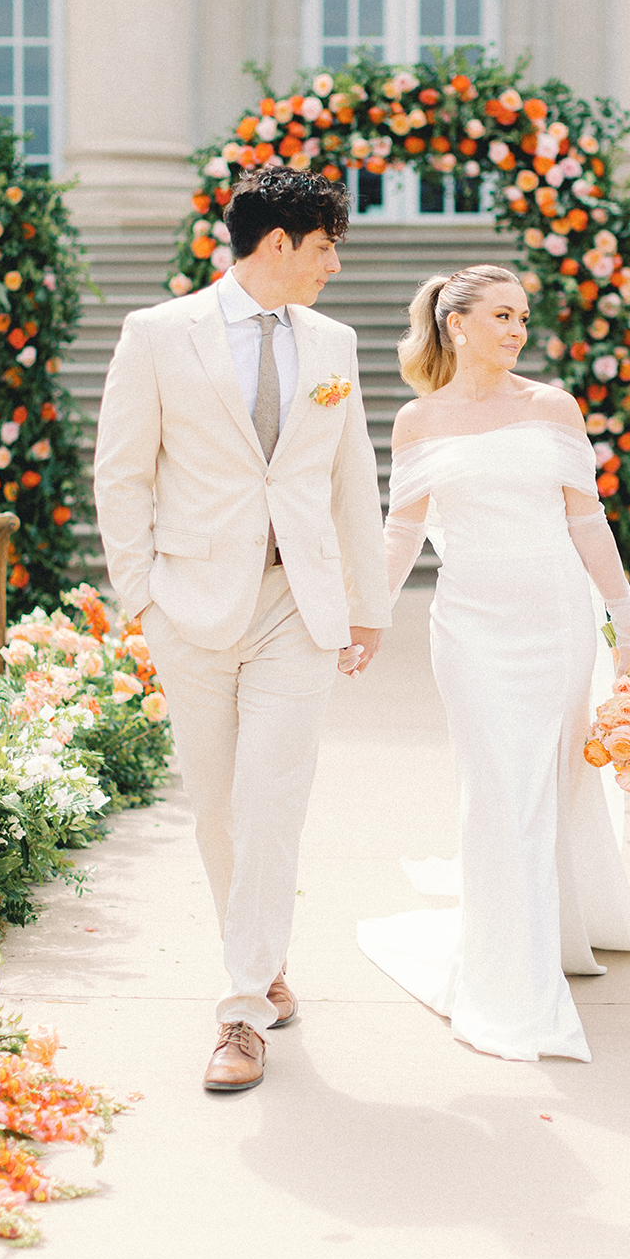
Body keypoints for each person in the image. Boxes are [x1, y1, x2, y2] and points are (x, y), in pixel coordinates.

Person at [95, 167, 390, 1092]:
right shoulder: (157, 335)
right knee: (218, 810)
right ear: (277, 245)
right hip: (191, 605)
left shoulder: (334, 343)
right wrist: (142, 595)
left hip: (295, 608)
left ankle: (238, 1014)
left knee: (272, 802)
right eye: (325, 246)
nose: (334, 265)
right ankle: (261, 962)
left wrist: (367, 603)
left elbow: (352, 481)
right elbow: (122, 473)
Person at [357, 265, 630, 1063]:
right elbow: (401, 534)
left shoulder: (552, 406)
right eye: (501, 314)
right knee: (498, 786)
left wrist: (625, 621)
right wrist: (369, 615)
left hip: (556, 621)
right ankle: (508, 972)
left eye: (523, 316)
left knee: (549, 780)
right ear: (456, 325)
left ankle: (553, 934)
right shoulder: (416, 421)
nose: (516, 328)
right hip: (469, 629)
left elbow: (587, 522)